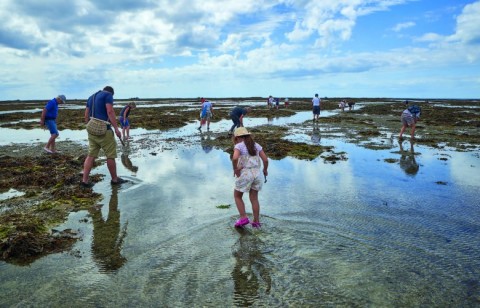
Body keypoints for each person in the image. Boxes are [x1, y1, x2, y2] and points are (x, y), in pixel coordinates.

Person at [81, 86, 127, 188]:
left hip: (91, 130)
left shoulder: (91, 97)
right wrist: (116, 128)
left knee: (91, 155)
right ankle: (115, 180)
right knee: (110, 155)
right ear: (111, 93)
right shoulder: (108, 95)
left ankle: (84, 181)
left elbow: (86, 114)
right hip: (104, 130)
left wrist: (90, 125)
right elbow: (110, 111)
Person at [231, 127, 268, 228]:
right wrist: (265, 170)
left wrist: (235, 169)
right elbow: (265, 160)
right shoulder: (256, 145)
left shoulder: (239, 146)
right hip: (258, 173)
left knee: (237, 196)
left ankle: (243, 218)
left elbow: (234, 158)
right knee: (254, 198)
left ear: (237, 137)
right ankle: (256, 221)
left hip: (246, 173)